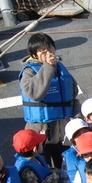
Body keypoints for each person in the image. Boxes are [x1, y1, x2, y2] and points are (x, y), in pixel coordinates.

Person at [18, 33, 80, 167]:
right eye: (42, 51)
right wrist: (48, 67)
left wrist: (77, 117)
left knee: (65, 168)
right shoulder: (28, 71)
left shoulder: (60, 68)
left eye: (50, 48)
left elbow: (72, 94)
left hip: (62, 134)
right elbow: (34, 93)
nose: (48, 53)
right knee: (44, 170)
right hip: (40, 136)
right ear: (34, 54)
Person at [60, 118, 92, 183]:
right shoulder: (68, 157)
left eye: (86, 131)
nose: (84, 136)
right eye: (79, 135)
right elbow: (65, 182)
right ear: (72, 140)